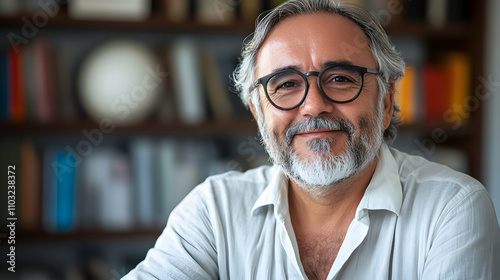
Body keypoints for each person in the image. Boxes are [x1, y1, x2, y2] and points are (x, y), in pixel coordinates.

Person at [123, 0, 500, 279]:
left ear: (386, 102)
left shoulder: (452, 209)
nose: (313, 106)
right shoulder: (213, 210)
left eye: (340, 79)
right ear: (258, 113)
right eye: (286, 84)